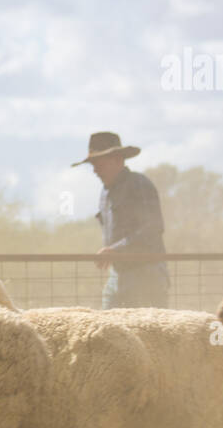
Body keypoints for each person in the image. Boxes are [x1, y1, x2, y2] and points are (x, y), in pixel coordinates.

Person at [71, 131, 169, 309]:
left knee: (148, 331)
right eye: (93, 164)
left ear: (117, 160)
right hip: (119, 273)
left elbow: (153, 227)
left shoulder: (138, 184)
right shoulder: (105, 192)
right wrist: (114, 253)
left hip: (146, 273)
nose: (95, 170)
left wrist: (115, 250)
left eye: (98, 164)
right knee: (109, 329)